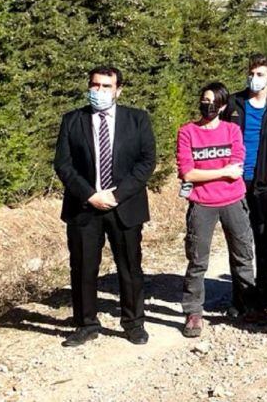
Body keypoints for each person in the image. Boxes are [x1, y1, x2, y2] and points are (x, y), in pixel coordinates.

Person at [53, 66, 156, 347]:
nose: (99, 91)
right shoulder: (73, 120)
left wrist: (117, 194)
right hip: (85, 207)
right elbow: (63, 164)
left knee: (130, 267)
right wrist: (89, 195)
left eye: (106, 86)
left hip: (124, 206)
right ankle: (86, 324)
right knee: (83, 268)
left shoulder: (137, 120)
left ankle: (133, 322)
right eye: (94, 85)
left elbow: (146, 162)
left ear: (118, 90)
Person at [177, 83, 259, 337]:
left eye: (213, 101)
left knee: (243, 255)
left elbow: (238, 166)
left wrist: (210, 173)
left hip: (233, 202)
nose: (208, 105)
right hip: (202, 204)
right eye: (204, 99)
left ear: (223, 106)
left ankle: (248, 306)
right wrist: (222, 172)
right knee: (198, 260)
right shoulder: (187, 132)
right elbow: (187, 172)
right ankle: (193, 313)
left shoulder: (232, 130)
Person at [221, 55, 267, 314]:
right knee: (238, 241)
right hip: (234, 182)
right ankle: (239, 297)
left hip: (264, 185)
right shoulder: (232, 104)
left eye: (260, 74)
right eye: (251, 73)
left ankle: (263, 293)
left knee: (263, 240)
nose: (254, 78)